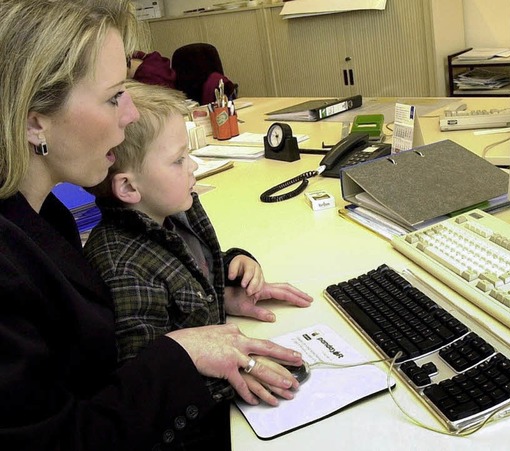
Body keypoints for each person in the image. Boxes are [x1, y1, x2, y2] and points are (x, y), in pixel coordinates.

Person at [0, 1, 310, 449]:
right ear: (35, 123)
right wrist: (181, 355)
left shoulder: (44, 215)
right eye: (112, 97)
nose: (128, 114)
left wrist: (201, 292)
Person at [83, 79, 313, 408]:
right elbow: (146, 377)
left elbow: (192, 267)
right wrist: (230, 377)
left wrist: (234, 268)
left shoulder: (169, 214)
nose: (193, 166)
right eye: (179, 160)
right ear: (130, 189)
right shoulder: (124, 268)